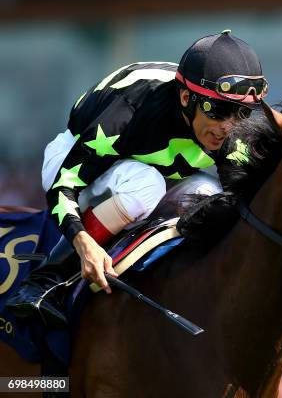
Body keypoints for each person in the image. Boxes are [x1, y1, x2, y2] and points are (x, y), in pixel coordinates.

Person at [7, 30, 268, 327]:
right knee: (147, 185)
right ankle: (45, 280)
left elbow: (246, 204)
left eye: (242, 113)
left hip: (148, 174)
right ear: (186, 97)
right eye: (219, 111)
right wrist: (83, 243)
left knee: (208, 193)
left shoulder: (232, 134)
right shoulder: (131, 109)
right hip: (73, 160)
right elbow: (63, 186)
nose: (228, 128)